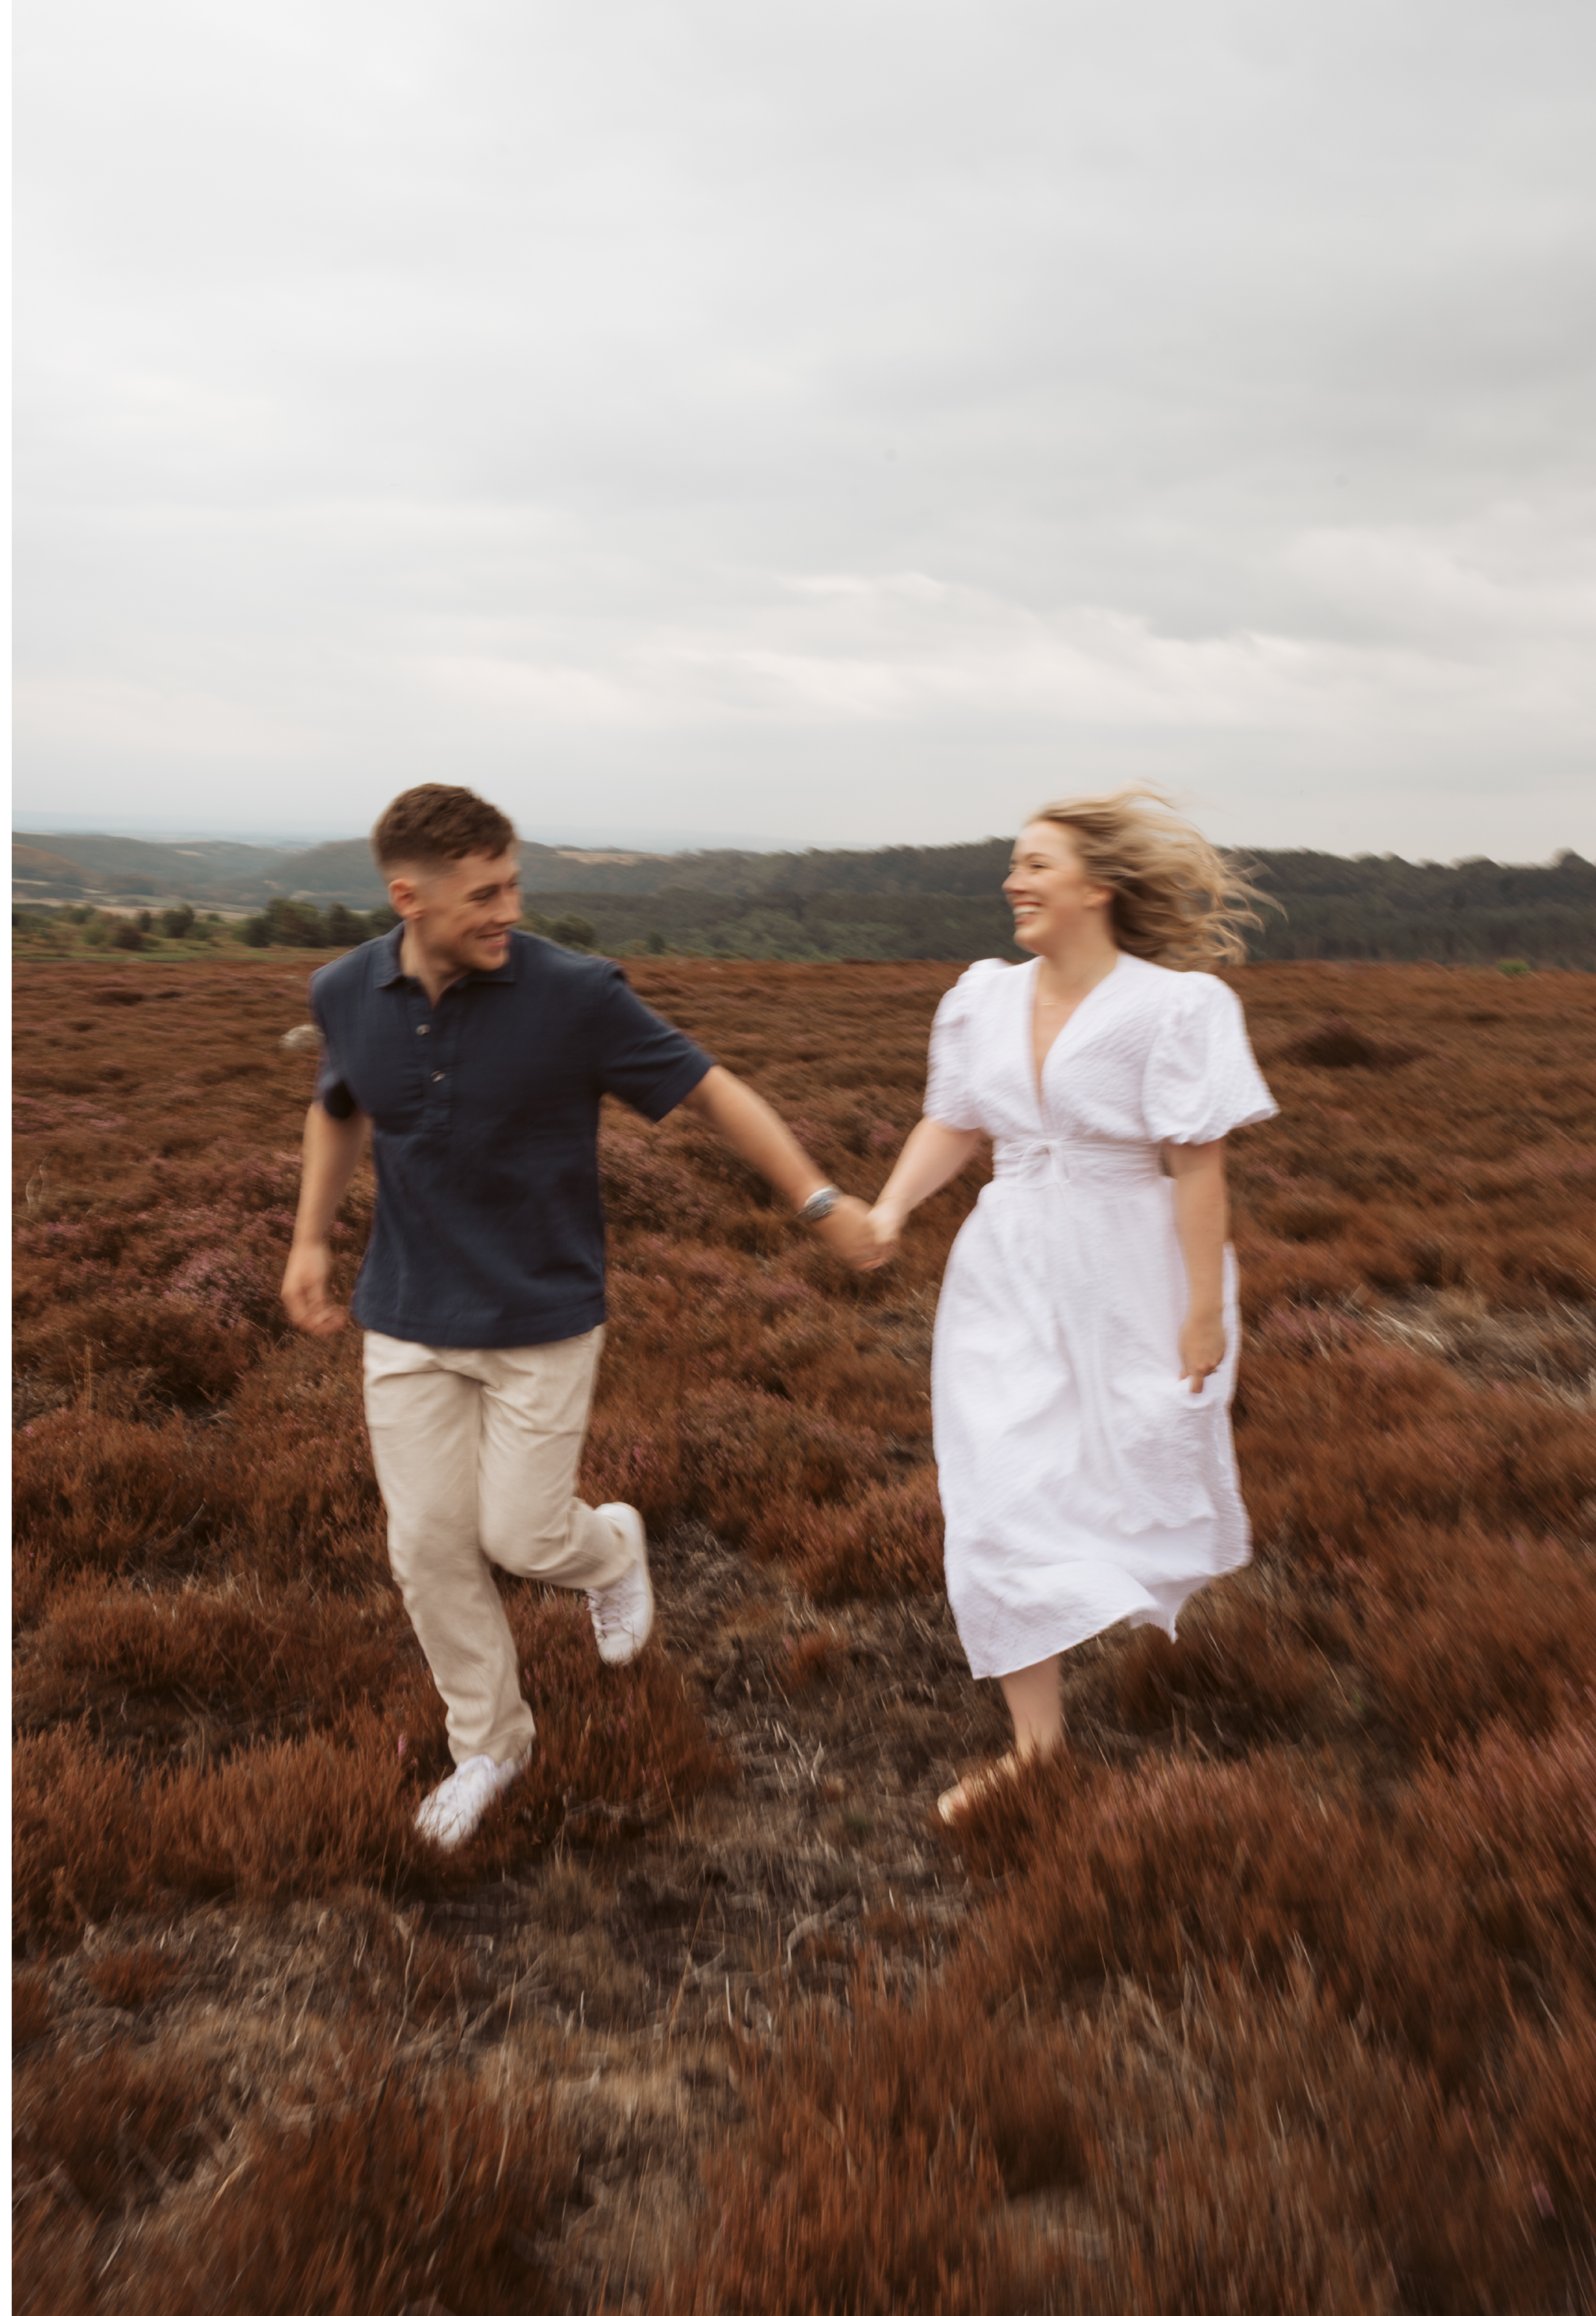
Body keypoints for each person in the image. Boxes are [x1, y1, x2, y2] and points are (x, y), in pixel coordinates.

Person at [281, 783, 875, 1850]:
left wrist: (817, 1200)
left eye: (514, 884)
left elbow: (712, 1089)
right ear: (406, 896)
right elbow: (340, 1105)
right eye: (483, 894)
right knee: (425, 1547)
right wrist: (311, 1239)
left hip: (542, 1314)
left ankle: (609, 1551)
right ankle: (491, 1745)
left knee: (518, 1533)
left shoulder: (576, 994)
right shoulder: (344, 990)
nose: (508, 908)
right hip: (408, 1313)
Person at [862, 787, 1278, 1820]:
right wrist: (890, 1209)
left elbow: (1196, 1168)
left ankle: (1126, 1610)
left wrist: (1203, 1311)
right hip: (1006, 1267)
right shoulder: (983, 997)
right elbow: (953, 1120)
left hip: (1128, 1268)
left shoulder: (1174, 1007)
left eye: (1036, 863)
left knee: (1123, 1466)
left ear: (1097, 885)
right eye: (1014, 862)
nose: (1015, 880)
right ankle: (1036, 1748)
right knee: (995, 1487)